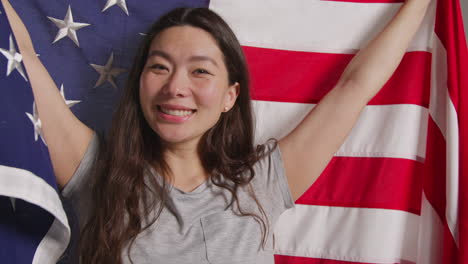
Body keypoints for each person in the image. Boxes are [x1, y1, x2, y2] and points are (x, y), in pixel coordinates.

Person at [2, 0, 430, 263]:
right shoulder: (97, 171)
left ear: (230, 96)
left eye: (200, 71)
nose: (175, 87)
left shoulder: (262, 182)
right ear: (140, 82)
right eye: (159, 67)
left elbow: (354, 88)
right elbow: (27, 63)